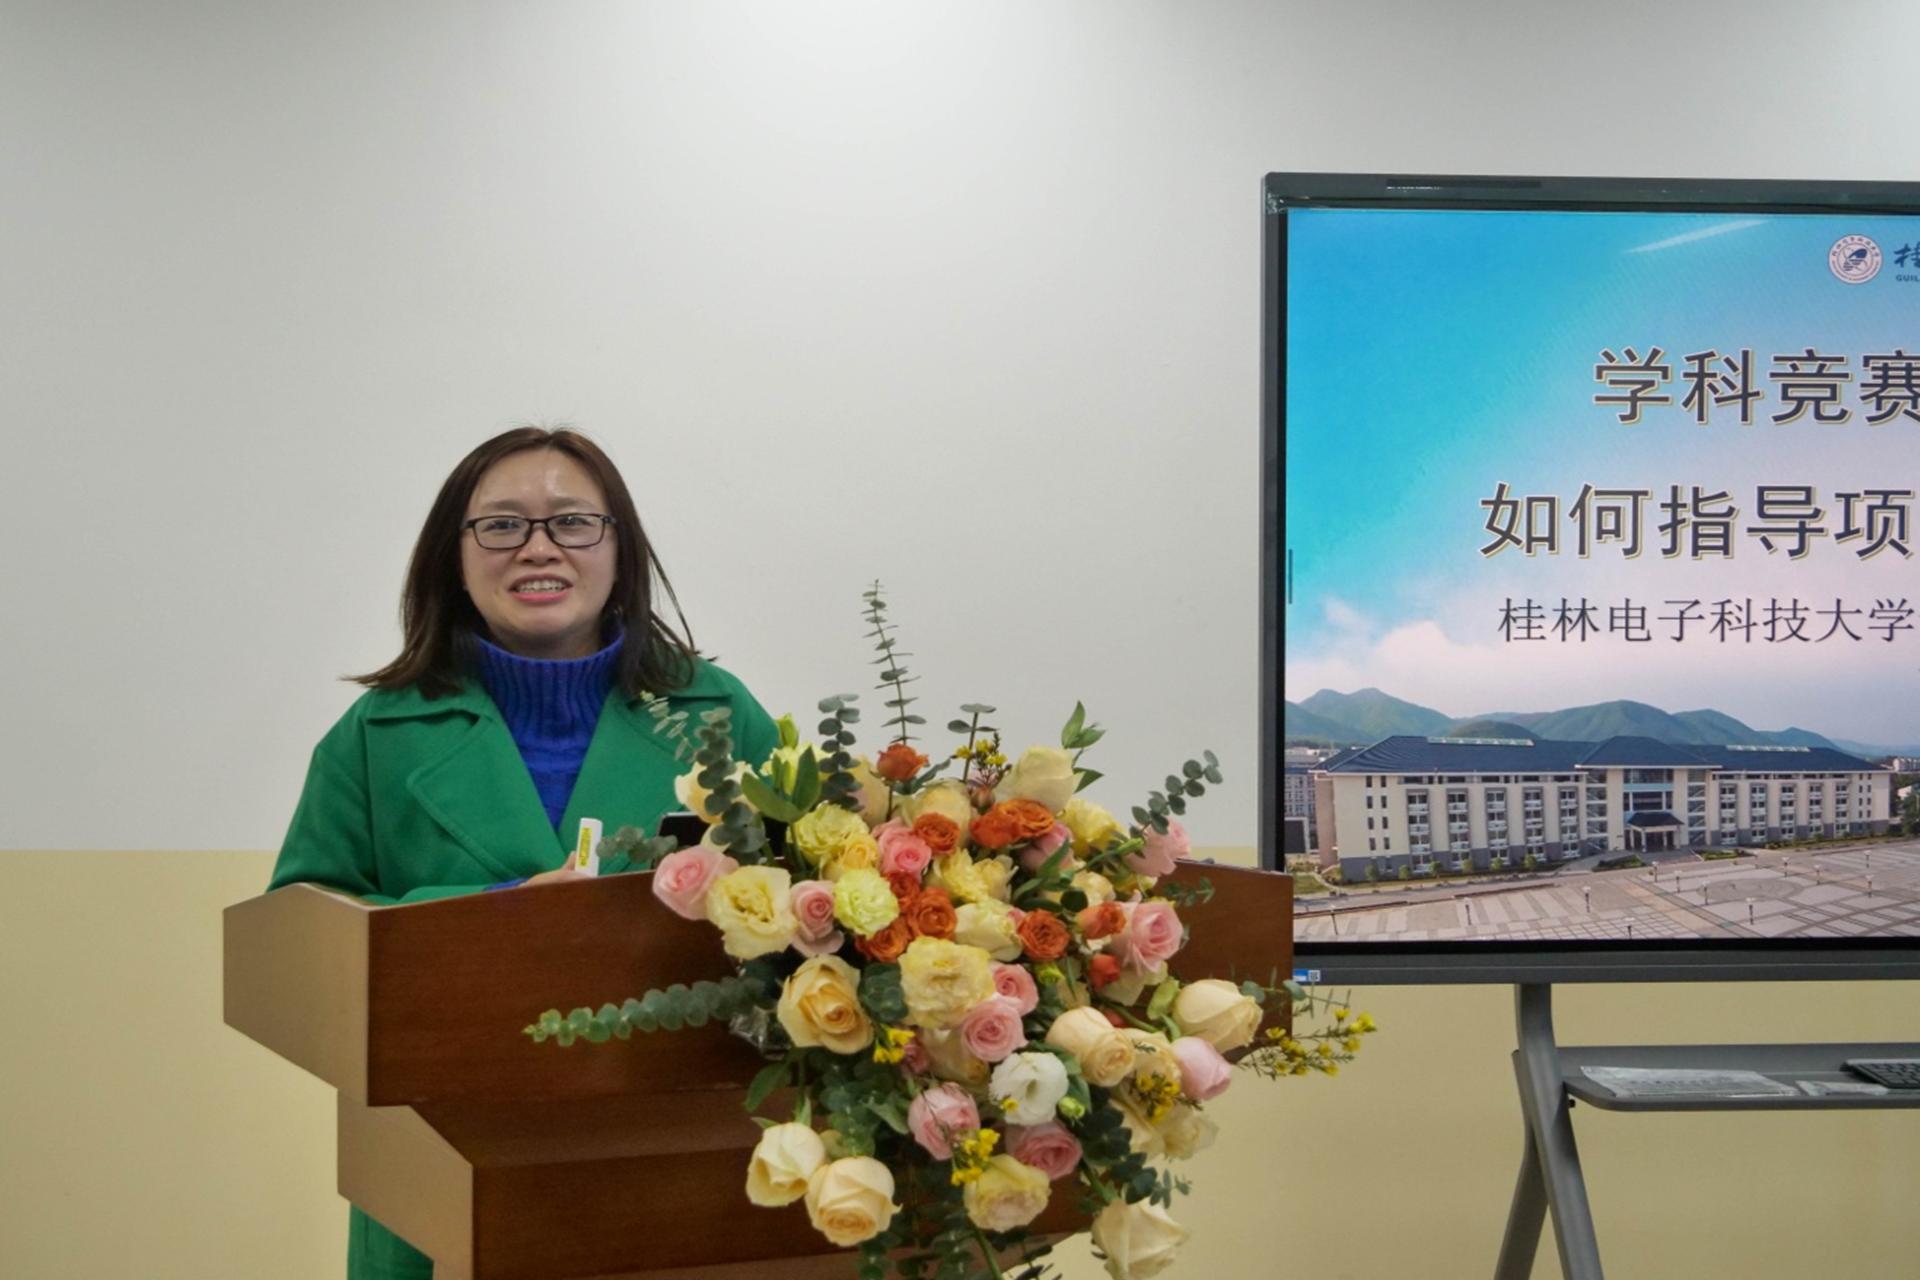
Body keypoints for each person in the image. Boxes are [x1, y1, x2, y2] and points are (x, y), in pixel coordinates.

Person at [269, 426, 778, 1280]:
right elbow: (297, 946)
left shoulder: (717, 713)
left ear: (620, 548)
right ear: (454, 557)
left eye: (573, 521)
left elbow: (815, 912)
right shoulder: (376, 734)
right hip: (438, 1174)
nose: (538, 548)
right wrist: (497, 917)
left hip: (680, 1172)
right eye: (501, 525)